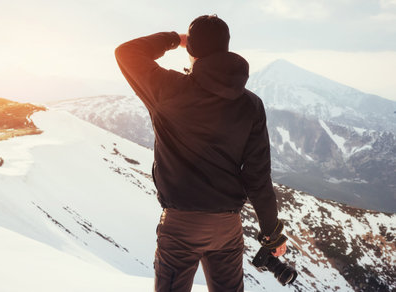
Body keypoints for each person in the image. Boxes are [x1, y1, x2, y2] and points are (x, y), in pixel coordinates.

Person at [115, 15, 286, 292]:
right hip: (227, 227)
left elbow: (126, 52)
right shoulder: (251, 105)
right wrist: (271, 235)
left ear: (191, 49)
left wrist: (174, 39)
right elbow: (257, 177)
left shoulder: (168, 91)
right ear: (227, 49)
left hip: (181, 224)